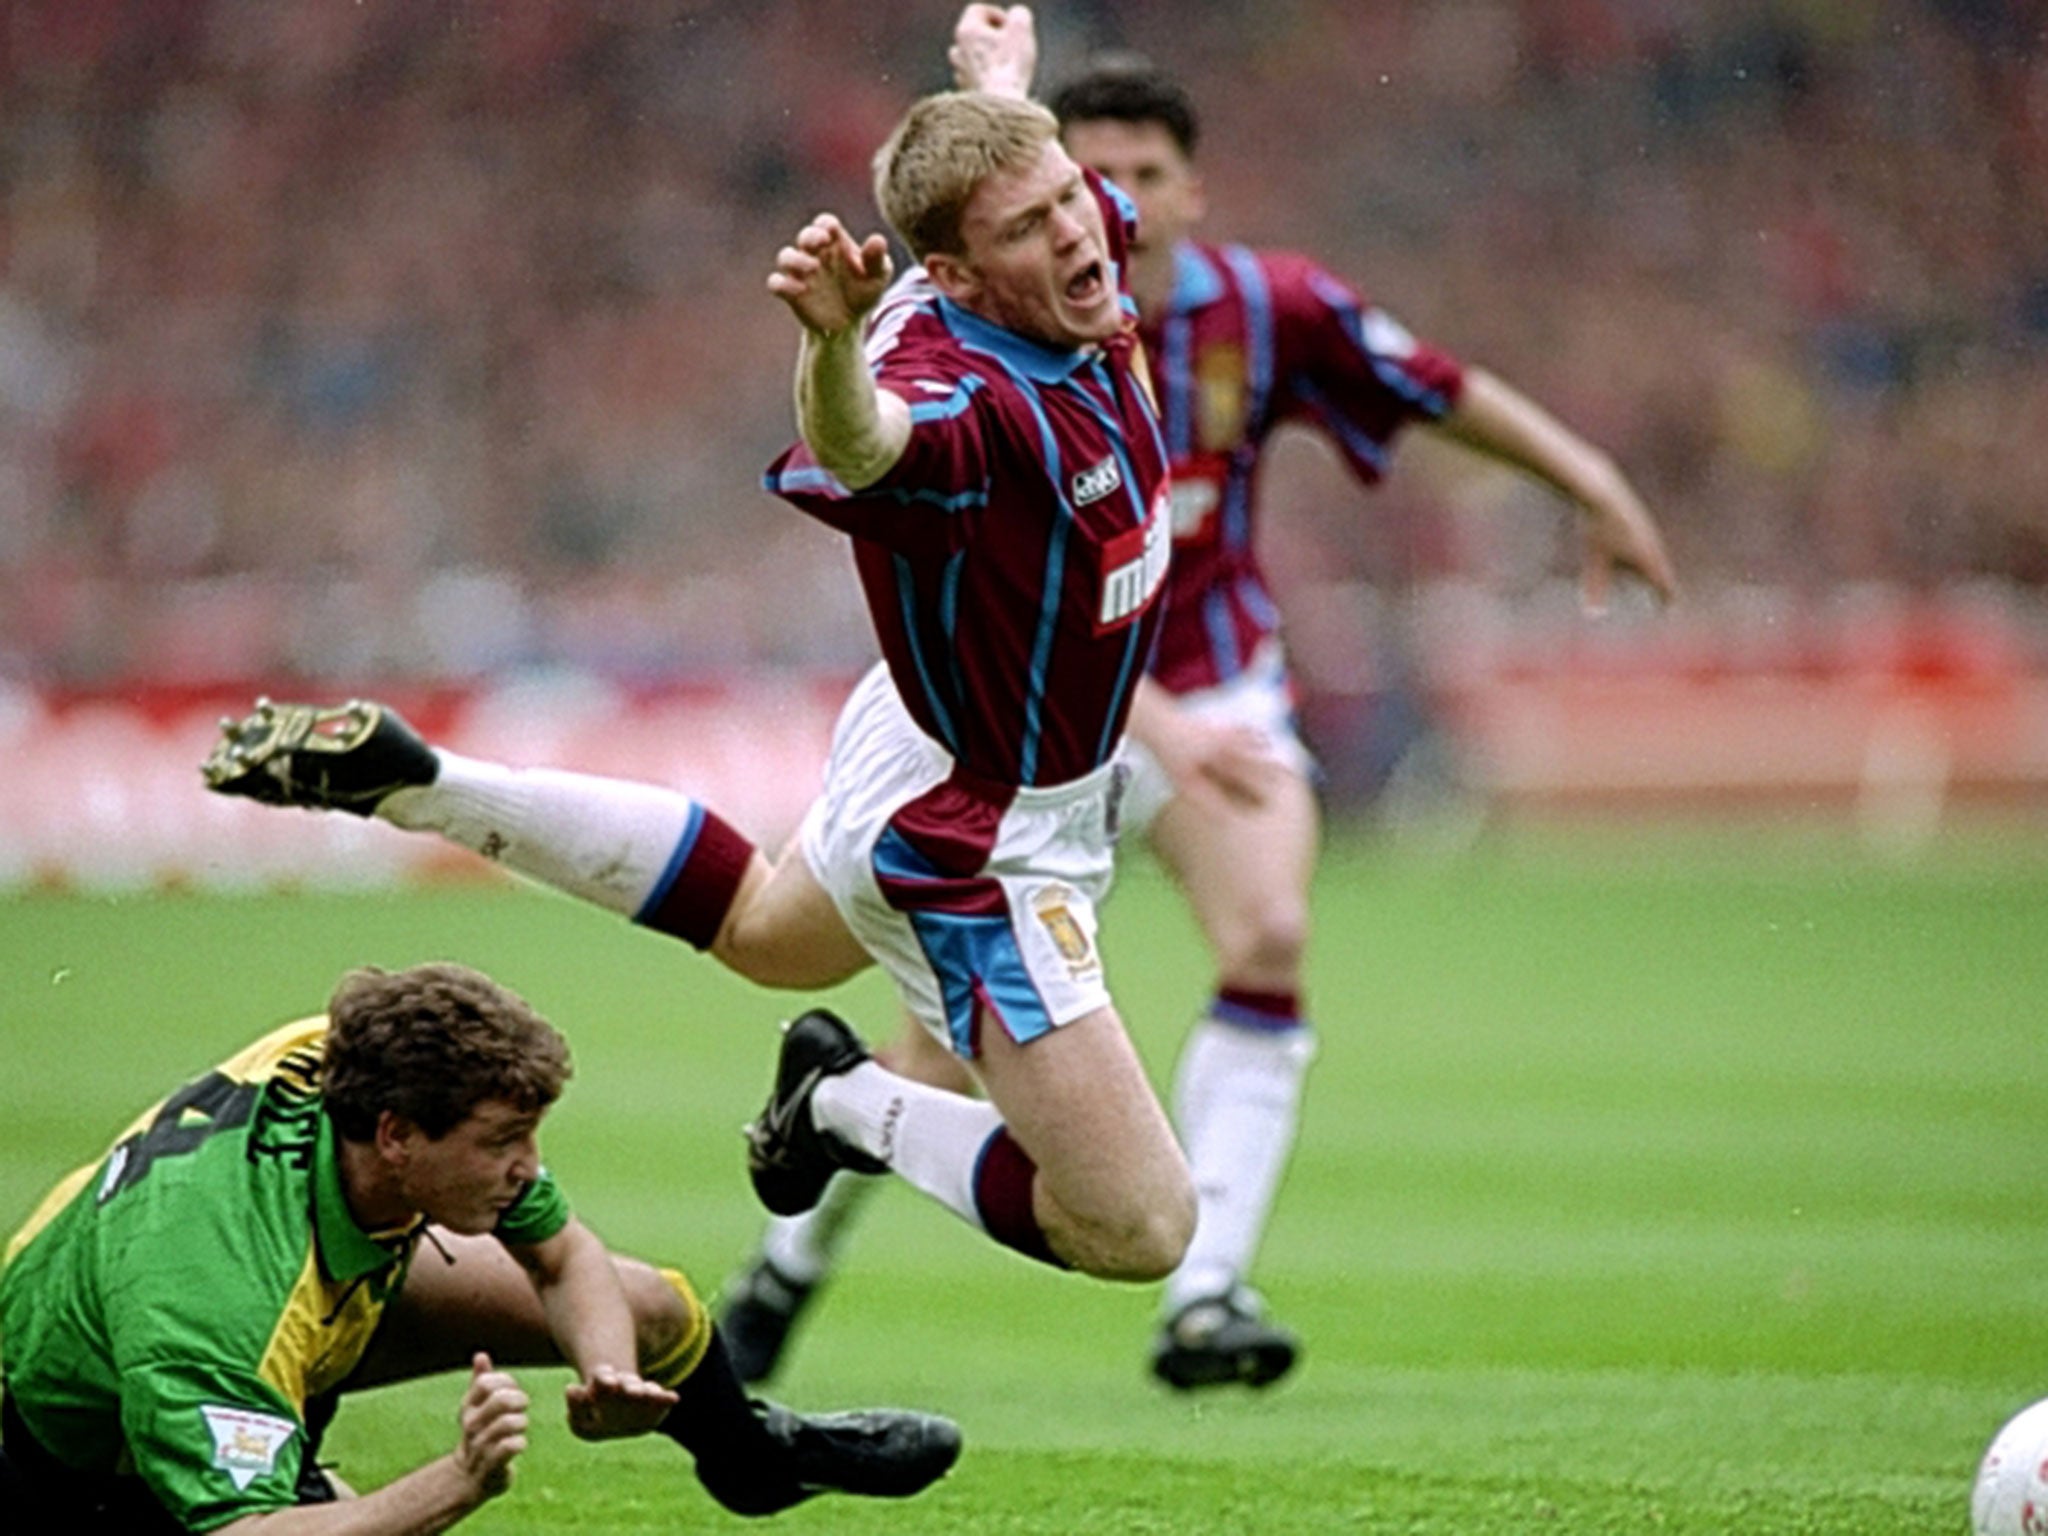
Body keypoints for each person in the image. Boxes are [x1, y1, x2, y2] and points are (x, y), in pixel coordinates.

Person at [714, 6, 1681, 1393]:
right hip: (1048, 717)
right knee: (948, 1037)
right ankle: (790, 1264)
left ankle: (1206, 1288)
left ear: (1185, 188)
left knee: (1273, 924)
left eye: (1129, 183)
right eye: (1072, 184)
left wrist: (1589, 477)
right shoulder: (990, 338)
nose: (1105, 215)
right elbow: (876, 421)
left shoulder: (1260, 308)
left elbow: (1432, 386)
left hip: (1205, 680)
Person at [202, 72, 1226, 1293]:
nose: (1078, 229)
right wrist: (829, 342)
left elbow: (1025, 181)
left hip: (925, 728)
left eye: (1069, 197)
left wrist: (995, 88)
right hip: (984, 832)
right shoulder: (975, 400)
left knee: (765, 939)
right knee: (1140, 1228)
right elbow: (864, 442)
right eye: (1030, 224)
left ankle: (420, 783)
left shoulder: (1055, 247)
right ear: (951, 276)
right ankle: (852, 1104)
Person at [0, 961, 960, 1531]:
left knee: (644, 1303)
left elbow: (563, 1256)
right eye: (502, 1143)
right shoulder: (212, 1302)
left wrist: (609, 1376)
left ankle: (750, 1464)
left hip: (273, 1294)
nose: (528, 1170)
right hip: (78, 1456)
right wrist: (457, 1479)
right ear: (396, 1134)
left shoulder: (349, 1069)